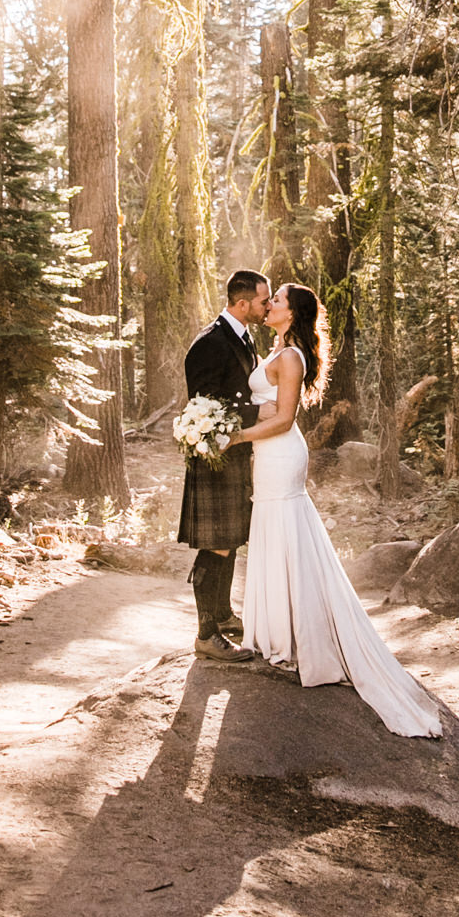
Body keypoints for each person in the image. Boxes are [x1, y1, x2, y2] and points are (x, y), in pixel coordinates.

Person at [235, 281, 441, 740]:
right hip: (268, 453)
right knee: (274, 531)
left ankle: (297, 638)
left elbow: (285, 419)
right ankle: (275, 633)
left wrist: (234, 437)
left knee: (285, 531)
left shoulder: (289, 357)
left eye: (278, 301)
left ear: (293, 313)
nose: (269, 305)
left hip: (280, 450)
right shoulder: (280, 348)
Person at [177, 270, 270, 658]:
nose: (267, 307)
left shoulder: (243, 337)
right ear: (243, 302)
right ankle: (204, 634)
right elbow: (207, 406)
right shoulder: (211, 342)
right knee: (215, 544)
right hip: (214, 457)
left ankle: (222, 613)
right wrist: (262, 411)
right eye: (264, 301)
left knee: (229, 541)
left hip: (234, 455)